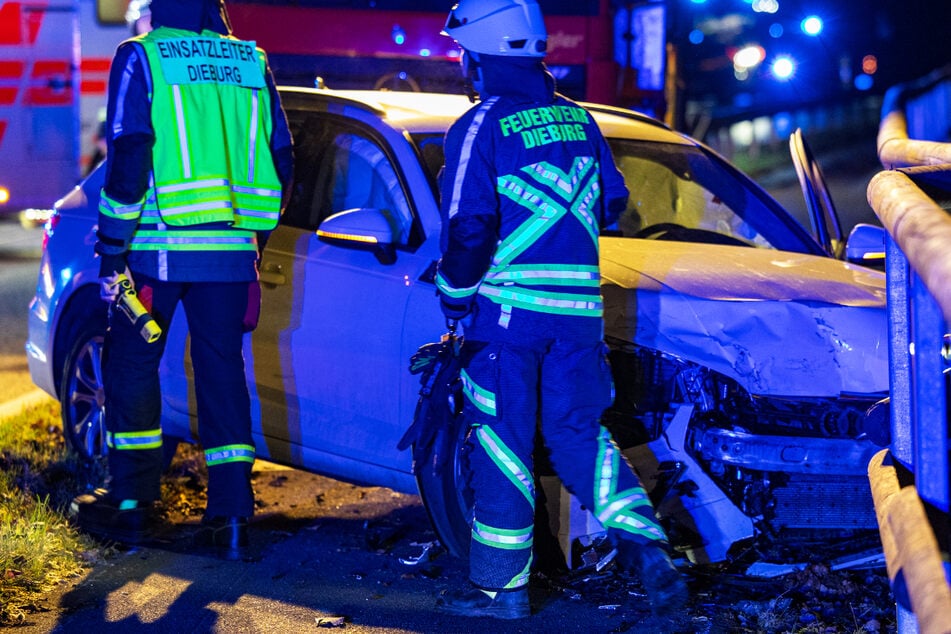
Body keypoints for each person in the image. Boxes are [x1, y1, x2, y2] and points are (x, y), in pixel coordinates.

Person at [433, 0, 687, 620]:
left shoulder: (479, 126)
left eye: (464, 53)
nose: (463, 64)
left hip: (508, 324)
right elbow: (611, 206)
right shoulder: (580, 121)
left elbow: (469, 226)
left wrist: (455, 296)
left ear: (481, 56)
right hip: (578, 318)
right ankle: (649, 546)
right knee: (581, 439)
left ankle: (499, 590)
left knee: (503, 447)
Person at [69, 0, 293, 561]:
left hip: (158, 249)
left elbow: (130, 152)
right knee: (222, 371)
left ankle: (132, 507)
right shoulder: (251, 61)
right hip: (232, 250)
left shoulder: (141, 57)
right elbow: (283, 159)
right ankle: (233, 518)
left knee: (133, 363)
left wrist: (112, 246)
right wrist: (254, 237)